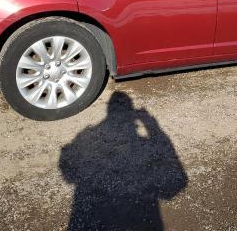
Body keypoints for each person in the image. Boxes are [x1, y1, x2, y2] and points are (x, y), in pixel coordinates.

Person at [59, 91, 187, 230]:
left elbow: (67, 169)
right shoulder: (91, 136)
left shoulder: (87, 135)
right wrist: (152, 125)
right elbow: (174, 186)